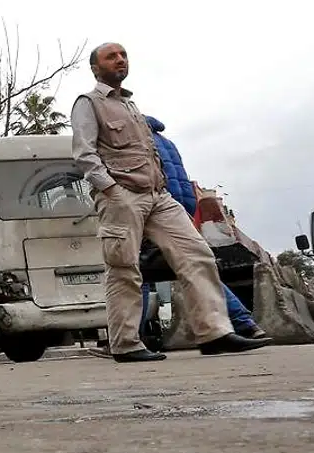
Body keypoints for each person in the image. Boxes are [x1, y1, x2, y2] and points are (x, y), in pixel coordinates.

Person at [71, 43, 271, 361]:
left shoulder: (131, 105)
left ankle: (214, 333)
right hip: (122, 196)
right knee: (124, 267)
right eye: (111, 56)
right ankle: (125, 344)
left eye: (124, 54)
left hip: (158, 197)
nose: (120, 59)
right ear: (96, 68)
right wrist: (112, 190)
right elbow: (84, 153)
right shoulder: (88, 103)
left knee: (197, 254)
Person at [140, 115, 267, 341]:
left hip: (157, 208)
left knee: (137, 273)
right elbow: (182, 180)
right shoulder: (167, 142)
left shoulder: (137, 136)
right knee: (197, 268)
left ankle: (133, 337)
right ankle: (243, 322)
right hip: (181, 209)